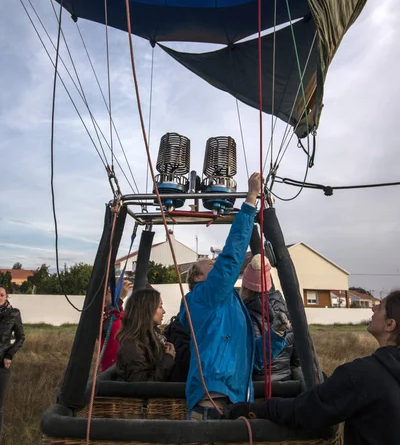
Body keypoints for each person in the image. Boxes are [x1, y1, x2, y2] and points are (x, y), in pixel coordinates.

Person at [224, 290, 400, 445]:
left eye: (380, 307)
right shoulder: (373, 374)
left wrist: (253, 409)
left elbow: (305, 410)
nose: (373, 309)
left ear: (390, 325)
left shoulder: (363, 375)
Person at [180, 173, 287, 417]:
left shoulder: (229, 305)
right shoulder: (205, 297)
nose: (215, 263)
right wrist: (250, 200)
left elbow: (253, 358)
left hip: (236, 400)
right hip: (213, 405)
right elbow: (231, 258)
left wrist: (277, 336)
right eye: (208, 264)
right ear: (197, 278)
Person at [241, 254, 301, 382]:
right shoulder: (286, 311)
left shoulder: (245, 314)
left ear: (245, 287)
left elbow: (252, 359)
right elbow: (297, 357)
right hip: (285, 381)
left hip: (256, 384)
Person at [116, 288, 176, 382]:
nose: (163, 311)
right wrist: (168, 359)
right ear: (148, 310)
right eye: (160, 307)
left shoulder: (153, 336)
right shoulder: (132, 344)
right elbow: (142, 384)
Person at [0, 286, 25, 434]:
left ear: (6, 297)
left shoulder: (13, 314)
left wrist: (9, 355)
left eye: (2, 295)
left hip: (2, 365)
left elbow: (21, 337)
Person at [101, 277, 131, 371]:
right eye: (111, 291)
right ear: (104, 303)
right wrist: (120, 298)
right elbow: (105, 328)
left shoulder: (123, 314)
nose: (115, 293)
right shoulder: (103, 319)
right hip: (109, 371)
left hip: (125, 369)